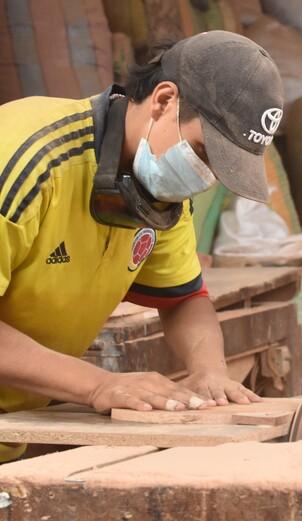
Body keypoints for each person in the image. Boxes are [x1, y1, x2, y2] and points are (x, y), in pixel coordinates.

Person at [0, 31, 284, 461]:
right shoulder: (28, 158)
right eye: (205, 152)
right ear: (164, 100)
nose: (205, 176)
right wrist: (98, 384)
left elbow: (184, 299)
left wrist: (209, 372)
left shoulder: (158, 194)